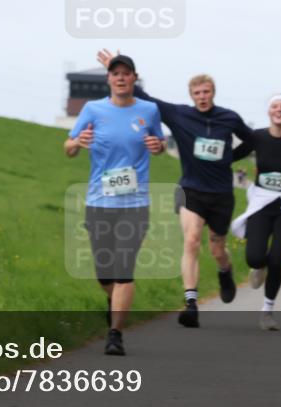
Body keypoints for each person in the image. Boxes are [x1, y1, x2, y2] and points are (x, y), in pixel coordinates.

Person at [96, 50, 251, 329]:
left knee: (217, 248)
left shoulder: (229, 118)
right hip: (191, 189)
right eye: (197, 93)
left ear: (213, 93)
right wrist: (116, 69)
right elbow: (147, 99)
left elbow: (251, 141)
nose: (202, 97)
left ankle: (224, 270)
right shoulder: (180, 115)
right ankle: (191, 302)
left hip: (221, 194)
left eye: (206, 92)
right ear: (191, 95)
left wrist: (231, 158)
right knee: (191, 240)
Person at [66, 54, 165, 355]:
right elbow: (68, 148)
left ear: (134, 78)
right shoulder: (92, 109)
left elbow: (159, 145)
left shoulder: (149, 111)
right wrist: (78, 143)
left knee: (124, 269)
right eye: (115, 73)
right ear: (109, 79)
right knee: (104, 273)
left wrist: (157, 146)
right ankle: (114, 301)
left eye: (126, 73)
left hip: (135, 203)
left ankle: (115, 334)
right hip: (99, 202)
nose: (120, 78)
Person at [230, 94, 281, 331]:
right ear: (269, 111)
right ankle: (258, 266)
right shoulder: (258, 137)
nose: (279, 110)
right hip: (261, 204)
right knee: (254, 257)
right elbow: (232, 155)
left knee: (278, 257)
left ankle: (267, 309)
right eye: (275, 106)